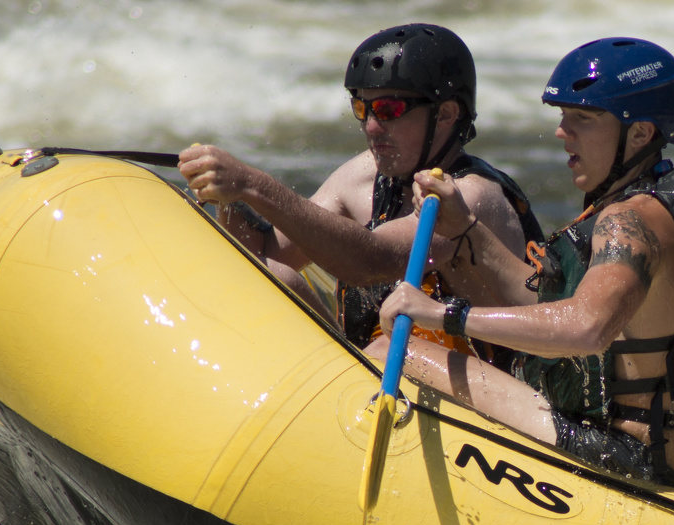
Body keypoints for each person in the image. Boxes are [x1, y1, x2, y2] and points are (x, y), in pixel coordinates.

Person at [374, 37, 674, 489]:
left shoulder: (629, 221)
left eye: (582, 119)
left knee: (388, 350)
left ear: (640, 134)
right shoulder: (653, 203)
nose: (561, 131)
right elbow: (550, 301)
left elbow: (586, 328)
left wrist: (442, 315)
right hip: (655, 454)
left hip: (625, 458)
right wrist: (465, 227)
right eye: (562, 116)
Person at [177, 23, 542, 355]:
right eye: (361, 107)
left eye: (388, 109)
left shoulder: (471, 196)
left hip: (475, 402)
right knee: (276, 278)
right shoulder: (363, 175)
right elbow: (269, 254)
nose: (370, 127)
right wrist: (227, 198)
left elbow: (373, 262)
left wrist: (253, 184)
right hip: (375, 374)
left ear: (445, 114)